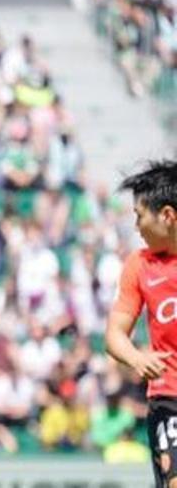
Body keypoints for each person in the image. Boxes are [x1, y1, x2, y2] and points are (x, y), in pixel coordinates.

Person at [106, 159, 177, 488]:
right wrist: (137, 358)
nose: (136, 226)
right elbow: (115, 334)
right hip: (169, 398)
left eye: (139, 215)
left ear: (167, 216)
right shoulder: (139, 265)